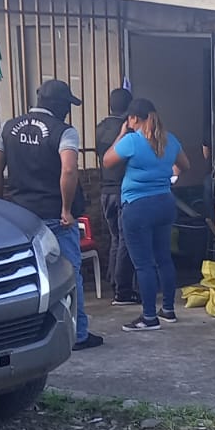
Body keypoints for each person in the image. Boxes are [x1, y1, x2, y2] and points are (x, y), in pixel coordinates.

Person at [0, 79, 103, 350]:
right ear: (61, 105)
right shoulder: (64, 131)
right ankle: (77, 334)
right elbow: (69, 170)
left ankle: (27, 334)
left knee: (25, 276)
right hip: (56, 216)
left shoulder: (8, 127)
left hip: (22, 217)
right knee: (69, 273)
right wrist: (66, 208)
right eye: (68, 105)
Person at [103, 98, 190, 332]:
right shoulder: (169, 140)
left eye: (129, 120)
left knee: (143, 264)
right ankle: (168, 310)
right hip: (164, 203)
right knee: (164, 258)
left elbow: (107, 161)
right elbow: (185, 165)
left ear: (133, 118)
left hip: (138, 206)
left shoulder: (132, 140)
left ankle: (149, 317)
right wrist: (168, 175)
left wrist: (121, 134)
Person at [95, 88, 139, 306]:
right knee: (126, 241)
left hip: (105, 191)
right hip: (123, 190)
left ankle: (113, 280)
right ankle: (123, 289)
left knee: (115, 239)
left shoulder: (100, 127)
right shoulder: (128, 131)